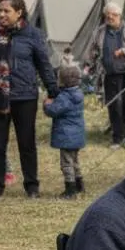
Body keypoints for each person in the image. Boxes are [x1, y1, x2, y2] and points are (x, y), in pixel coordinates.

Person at [0, 0, 58, 201]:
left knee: (26, 143)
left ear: (19, 13)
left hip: (25, 96)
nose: (1, 14)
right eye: (0, 10)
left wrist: (53, 91)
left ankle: (31, 186)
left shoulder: (32, 34)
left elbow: (44, 64)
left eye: (6, 11)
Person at [79, 2, 125, 147]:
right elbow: (93, 51)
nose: (110, 18)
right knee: (114, 107)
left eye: (113, 15)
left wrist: (123, 51)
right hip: (109, 75)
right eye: (107, 16)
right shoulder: (100, 32)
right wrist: (88, 65)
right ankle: (117, 139)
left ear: (119, 16)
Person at [45, 64, 87, 200]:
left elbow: (53, 111)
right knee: (75, 161)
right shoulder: (78, 94)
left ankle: (70, 190)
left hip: (66, 136)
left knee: (66, 163)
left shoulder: (65, 97)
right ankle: (80, 185)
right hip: (77, 135)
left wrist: (47, 104)